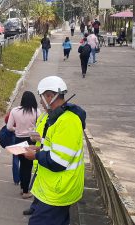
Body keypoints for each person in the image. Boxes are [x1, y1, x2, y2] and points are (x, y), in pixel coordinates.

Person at [24, 76, 86, 225]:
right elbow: (57, 149)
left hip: (58, 191)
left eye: (41, 97)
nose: (40, 102)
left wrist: (36, 155)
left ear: (50, 96)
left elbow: (58, 162)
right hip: (55, 188)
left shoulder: (67, 122)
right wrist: (40, 148)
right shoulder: (59, 117)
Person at [7, 91, 40, 199]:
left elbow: (9, 127)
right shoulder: (36, 112)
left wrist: (17, 129)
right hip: (31, 141)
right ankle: (26, 191)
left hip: (18, 140)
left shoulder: (15, 111)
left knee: (22, 164)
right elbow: (39, 127)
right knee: (28, 166)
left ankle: (22, 187)